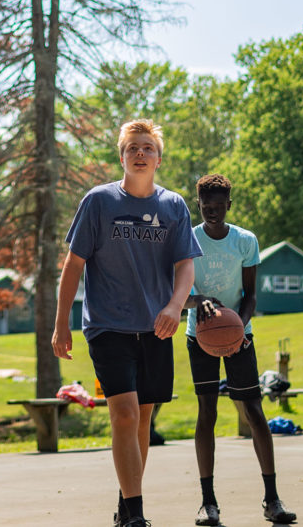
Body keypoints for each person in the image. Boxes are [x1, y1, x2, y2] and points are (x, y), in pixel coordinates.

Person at [53, 119, 201, 527]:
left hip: (157, 326)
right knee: (124, 414)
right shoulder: (99, 202)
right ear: (121, 156)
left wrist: (175, 307)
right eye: (132, 147)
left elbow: (186, 265)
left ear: (158, 158)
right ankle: (136, 515)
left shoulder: (172, 206)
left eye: (147, 148)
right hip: (107, 326)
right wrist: (61, 323)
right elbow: (73, 264)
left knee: (143, 418)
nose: (140, 153)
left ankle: (125, 505)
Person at [186, 174, 296, 525]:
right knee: (207, 412)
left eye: (219, 206)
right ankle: (208, 502)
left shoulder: (245, 241)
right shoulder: (187, 240)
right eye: (206, 207)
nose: (213, 212)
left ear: (229, 205)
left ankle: (272, 499)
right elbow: (176, 294)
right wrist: (198, 300)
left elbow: (250, 294)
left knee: (253, 408)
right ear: (198, 205)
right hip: (200, 337)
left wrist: (241, 329)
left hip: (238, 334)